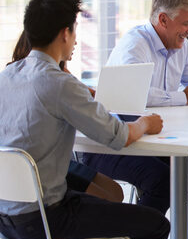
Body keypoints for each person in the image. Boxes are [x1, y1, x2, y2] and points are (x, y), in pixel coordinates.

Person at [0, 0, 169, 239]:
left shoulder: (6, 76)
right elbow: (119, 136)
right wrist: (145, 123)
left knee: (104, 198)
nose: (77, 40)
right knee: (157, 225)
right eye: (75, 30)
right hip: (47, 217)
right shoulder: (60, 83)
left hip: (6, 217)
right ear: (64, 34)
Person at [80, 0, 188, 239]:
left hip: (155, 139)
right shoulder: (135, 45)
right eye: (186, 23)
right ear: (163, 20)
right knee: (162, 181)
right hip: (115, 142)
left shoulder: (181, 45)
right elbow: (137, 97)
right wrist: (185, 96)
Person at [10, 31, 124, 205]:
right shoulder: (45, 82)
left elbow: (86, 95)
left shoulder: (53, 75)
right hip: (41, 170)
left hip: (51, 164)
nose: (75, 42)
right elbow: (110, 131)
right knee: (108, 197)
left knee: (115, 192)